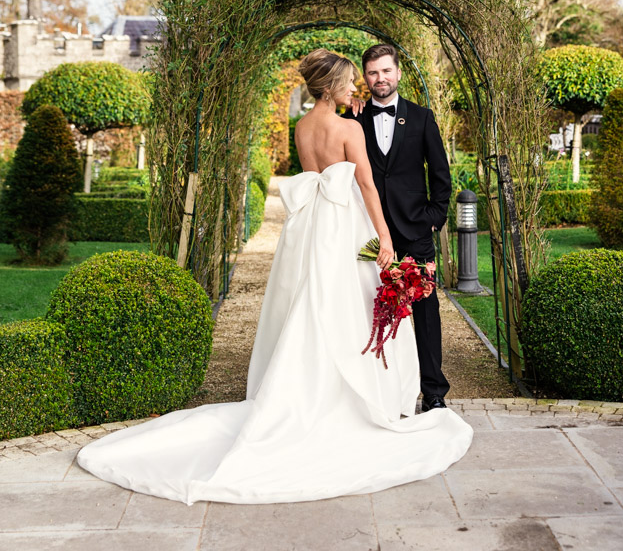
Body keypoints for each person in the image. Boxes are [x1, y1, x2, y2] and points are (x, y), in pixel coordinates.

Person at [76, 49, 472, 504]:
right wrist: (382, 239)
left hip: (312, 230)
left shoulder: (302, 127)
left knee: (312, 303)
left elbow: (323, 173)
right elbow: (364, 185)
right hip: (351, 227)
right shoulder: (349, 127)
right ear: (332, 86)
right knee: (355, 308)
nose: (358, 87)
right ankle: (364, 401)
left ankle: (317, 390)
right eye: (352, 81)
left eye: (374, 76)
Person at [346, 44, 451, 411]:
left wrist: (432, 220)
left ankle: (434, 392)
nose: (381, 79)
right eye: (373, 73)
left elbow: (441, 178)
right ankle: (379, 393)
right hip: (369, 235)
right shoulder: (352, 118)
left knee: (425, 313)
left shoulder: (422, 118)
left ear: (399, 73)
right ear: (364, 77)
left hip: (415, 232)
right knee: (367, 309)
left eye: (386, 71)